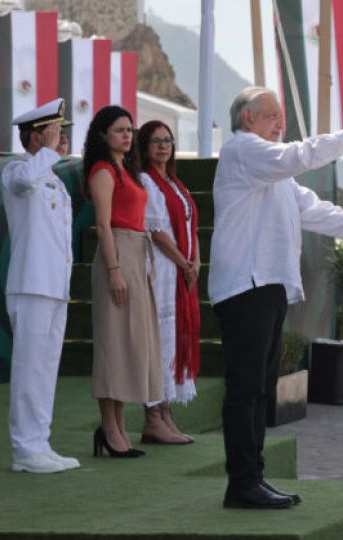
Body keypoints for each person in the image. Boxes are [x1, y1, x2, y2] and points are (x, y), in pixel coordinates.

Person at [209, 86, 343, 509]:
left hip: (266, 287)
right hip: (245, 287)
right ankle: (242, 482)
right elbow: (300, 155)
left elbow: (317, 212)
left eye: (281, 117)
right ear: (248, 118)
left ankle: (253, 476)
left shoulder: (273, 172)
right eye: (272, 116)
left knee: (259, 389)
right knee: (246, 389)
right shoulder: (243, 150)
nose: (280, 124)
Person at [1, 98, 80, 473]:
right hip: (31, 284)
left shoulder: (53, 178)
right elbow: (22, 181)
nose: (61, 139)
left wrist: (48, 154)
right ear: (35, 138)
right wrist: (46, 152)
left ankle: (39, 442)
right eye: (54, 132)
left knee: (46, 367)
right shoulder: (18, 172)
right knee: (29, 367)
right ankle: (24, 449)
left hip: (52, 286)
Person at [84, 105, 162, 458]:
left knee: (130, 342)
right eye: (119, 130)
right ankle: (110, 428)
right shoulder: (103, 171)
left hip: (135, 255)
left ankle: (117, 426)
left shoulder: (127, 171)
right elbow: (103, 225)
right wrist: (114, 270)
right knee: (113, 343)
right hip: (117, 256)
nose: (128, 135)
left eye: (130, 129)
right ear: (103, 135)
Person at [137, 120, 200, 444]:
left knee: (174, 338)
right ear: (144, 146)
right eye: (155, 141)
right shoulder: (146, 180)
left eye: (168, 140)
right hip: (162, 270)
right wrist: (183, 263)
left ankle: (166, 414)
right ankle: (153, 416)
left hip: (180, 269)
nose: (163, 146)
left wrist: (195, 261)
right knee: (160, 340)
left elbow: (190, 224)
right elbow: (157, 232)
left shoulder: (175, 182)